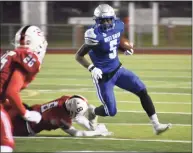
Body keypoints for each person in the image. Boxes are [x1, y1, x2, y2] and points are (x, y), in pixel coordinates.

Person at [75, 4, 171, 135]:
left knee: (142, 90)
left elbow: (115, 42)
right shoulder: (93, 35)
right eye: (103, 20)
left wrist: (125, 48)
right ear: (97, 21)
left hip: (118, 70)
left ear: (113, 18)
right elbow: (79, 56)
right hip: (103, 77)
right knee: (111, 111)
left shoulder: (119, 26)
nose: (106, 22)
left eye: (108, 19)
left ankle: (156, 125)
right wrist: (91, 68)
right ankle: (92, 111)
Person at [0, 25, 48, 152]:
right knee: (6, 143)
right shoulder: (27, 58)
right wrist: (25, 113)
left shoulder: (10, 54)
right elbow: (11, 92)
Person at [4, 94, 111, 137]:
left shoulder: (66, 99)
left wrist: (93, 127)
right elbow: (77, 133)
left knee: (4, 103)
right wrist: (97, 132)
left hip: (28, 110)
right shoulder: (61, 117)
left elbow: (78, 117)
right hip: (24, 127)